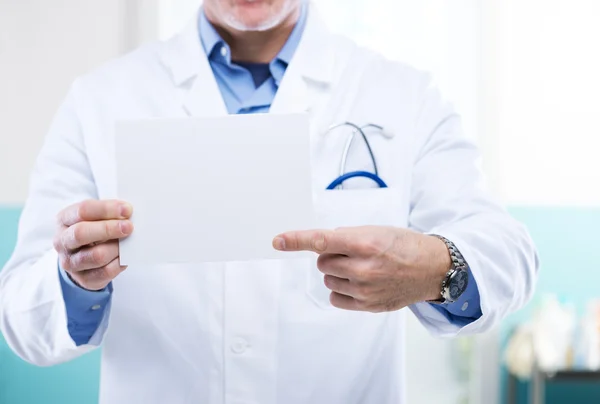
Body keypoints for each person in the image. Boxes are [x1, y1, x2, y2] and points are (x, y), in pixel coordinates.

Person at [0, 0, 538, 403]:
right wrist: (75, 280)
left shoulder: (403, 95)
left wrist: (438, 268)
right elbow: (22, 315)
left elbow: (508, 255)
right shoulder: (100, 99)